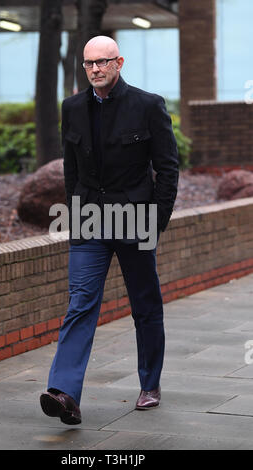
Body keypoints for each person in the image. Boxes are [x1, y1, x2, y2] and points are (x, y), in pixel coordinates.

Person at [40, 35, 179, 425]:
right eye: (88, 64)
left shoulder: (148, 106)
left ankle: (149, 384)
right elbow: (71, 168)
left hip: (135, 219)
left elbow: (168, 169)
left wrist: (157, 220)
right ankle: (64, 392)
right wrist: (74, 209)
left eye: (102, 62)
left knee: (144, 305)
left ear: (119, 62)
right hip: (89, 221)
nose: (95, 70)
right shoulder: (73, 108)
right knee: (80, 303)